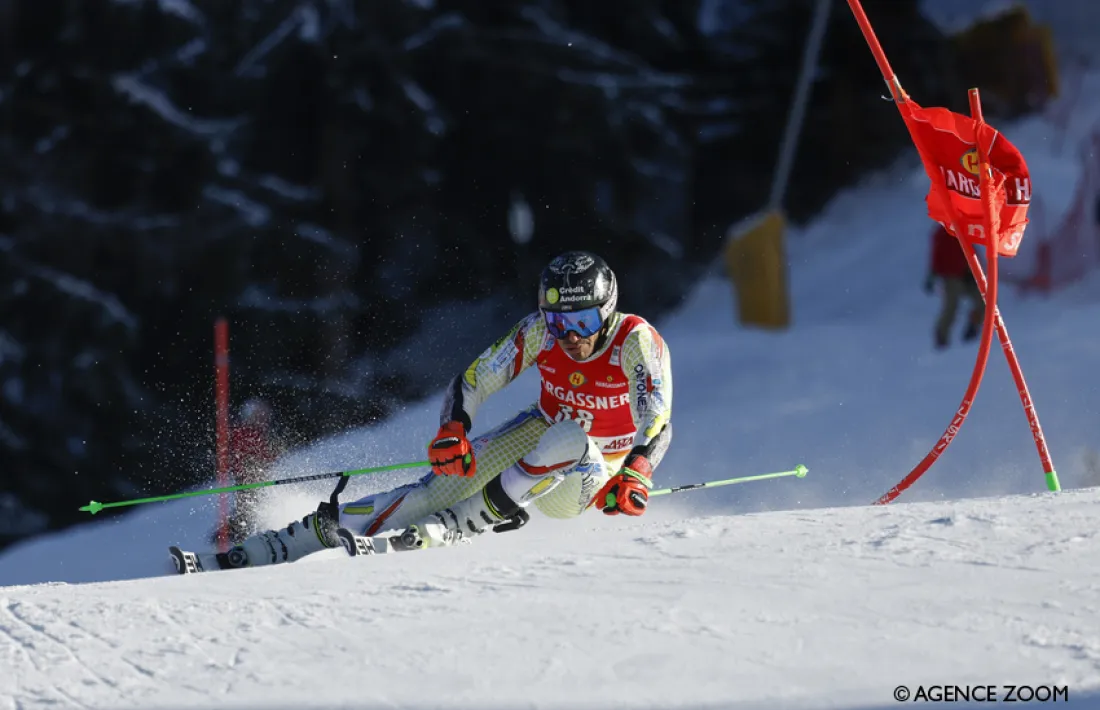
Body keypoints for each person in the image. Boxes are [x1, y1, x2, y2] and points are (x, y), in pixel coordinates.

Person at [203, 251, 673, 570]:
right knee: (437, 486)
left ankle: (461, 523)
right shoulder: (539, 333)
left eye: (583, 320)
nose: (570, 334)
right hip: (539, 433)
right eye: (560, 321)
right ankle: (281, 543)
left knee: (569, 436)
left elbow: (657, 418)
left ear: (607, 311)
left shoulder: (634, 341)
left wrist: (638, 469)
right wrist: (454, 429)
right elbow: (473, 381)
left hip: (596, 470)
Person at [222, 398, 282, 542]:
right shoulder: (246, 432)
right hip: (247, 475)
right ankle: (238, 535)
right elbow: (246, 454)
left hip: (253, 474)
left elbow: (265, 455)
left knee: (253, 503)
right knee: (248, 504)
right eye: (260, 415)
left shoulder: (256, 432)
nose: (264, 419)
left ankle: (242, 531)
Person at [925, 224, 983, 349]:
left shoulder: (962, 230)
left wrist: (974, 271)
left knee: (983, 301)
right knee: (951, 306)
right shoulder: (941, 234)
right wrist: (932, 274)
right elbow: (936, 256)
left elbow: (971, 251)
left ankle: (973, 326)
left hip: (966, 275)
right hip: (951, 277)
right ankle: (941, 336)